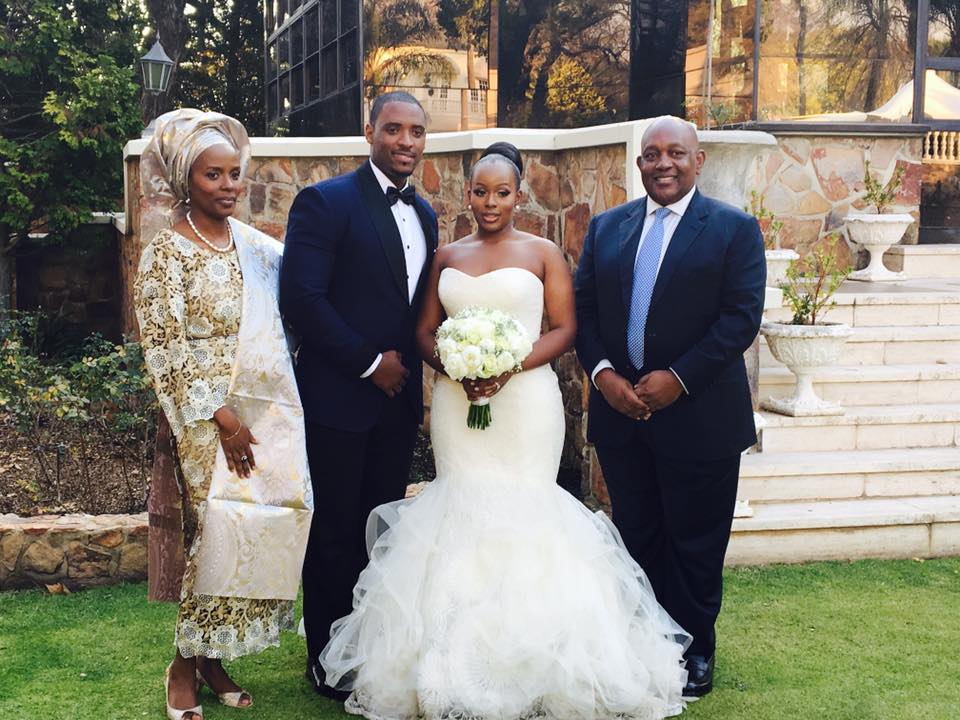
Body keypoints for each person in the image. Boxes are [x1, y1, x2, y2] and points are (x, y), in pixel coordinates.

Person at [319, 142, 690, 720]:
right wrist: (456, 366)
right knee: (460, 509)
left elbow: (565, 329)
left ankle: (538, 661)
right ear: (466, 194)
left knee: (525, 509)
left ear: (520, 195)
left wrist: (506, 367)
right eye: (479, 191)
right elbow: (423, 332)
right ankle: (445, 662)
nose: (489, 202)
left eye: (502, 192)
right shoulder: (446, 256)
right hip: (457, 404)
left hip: (524, 406)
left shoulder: (543, 253)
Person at [573, 116, 766, 698]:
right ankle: (644, 645)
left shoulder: (735, 230)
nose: (664, 164)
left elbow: (739, 320)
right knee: (638, 536)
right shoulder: (607, 228)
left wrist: (678, 379)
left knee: (696, 541)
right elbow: (584, 311)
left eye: (676, 153)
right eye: (652, 154)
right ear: (639, 164)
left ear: (698, 161)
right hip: (620, 417)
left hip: (701, 419)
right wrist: (604, 375)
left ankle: (694, 650)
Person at [135, 109, 313, 720]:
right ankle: (182, 668)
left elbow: (293, 316)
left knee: (258, 527)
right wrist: (221, 416)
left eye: (235, 174)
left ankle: (210, 658)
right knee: (215, 532)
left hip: (266, 413)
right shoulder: (165, 254)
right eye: (214, 176)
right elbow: (164, 345)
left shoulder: (260, 250)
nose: (229, 186)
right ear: (189, 179)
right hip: (205, 419)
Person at [279, 91, 439, 699]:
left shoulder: (424, 214)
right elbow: (303, 300)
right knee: (335, 533)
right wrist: (369, 363)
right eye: (394, 129)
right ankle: (326, 660)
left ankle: (370, 649)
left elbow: (414, 311)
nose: (406, 142)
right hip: (339, 401)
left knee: (380, 533)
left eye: (416, 132)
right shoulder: (325, 202)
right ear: (368, 130)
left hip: (397, 407)